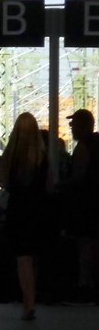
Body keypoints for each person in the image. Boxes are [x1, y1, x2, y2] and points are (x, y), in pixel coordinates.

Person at [0, 112, 52, 321]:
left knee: (23, 257)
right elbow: (49, 184)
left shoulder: (11, 156)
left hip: (18, 210)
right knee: (37, 254)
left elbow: (7, 184)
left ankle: (28, 301)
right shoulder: (43, 156)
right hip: (39, 209)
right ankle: (37, 294)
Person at [59, 109, 99, 303]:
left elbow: (78, 178)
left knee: (84, 245)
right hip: (95, 203)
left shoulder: (83, 147)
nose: (71, 127)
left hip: (85, 204)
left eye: (73, 124)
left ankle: (85, 286)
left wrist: (58, 185)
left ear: (83, 126)